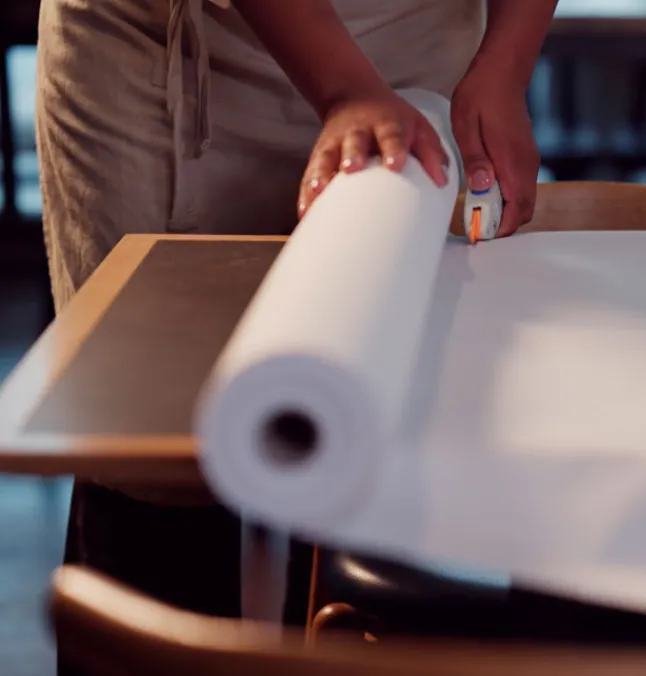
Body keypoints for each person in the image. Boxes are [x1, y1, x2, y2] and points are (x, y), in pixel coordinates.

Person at [35, 0, 555, 669]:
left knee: (377, 425)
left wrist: (505, 66)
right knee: (170, 441)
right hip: (164, 54)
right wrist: (344, 89)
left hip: (415, 48)